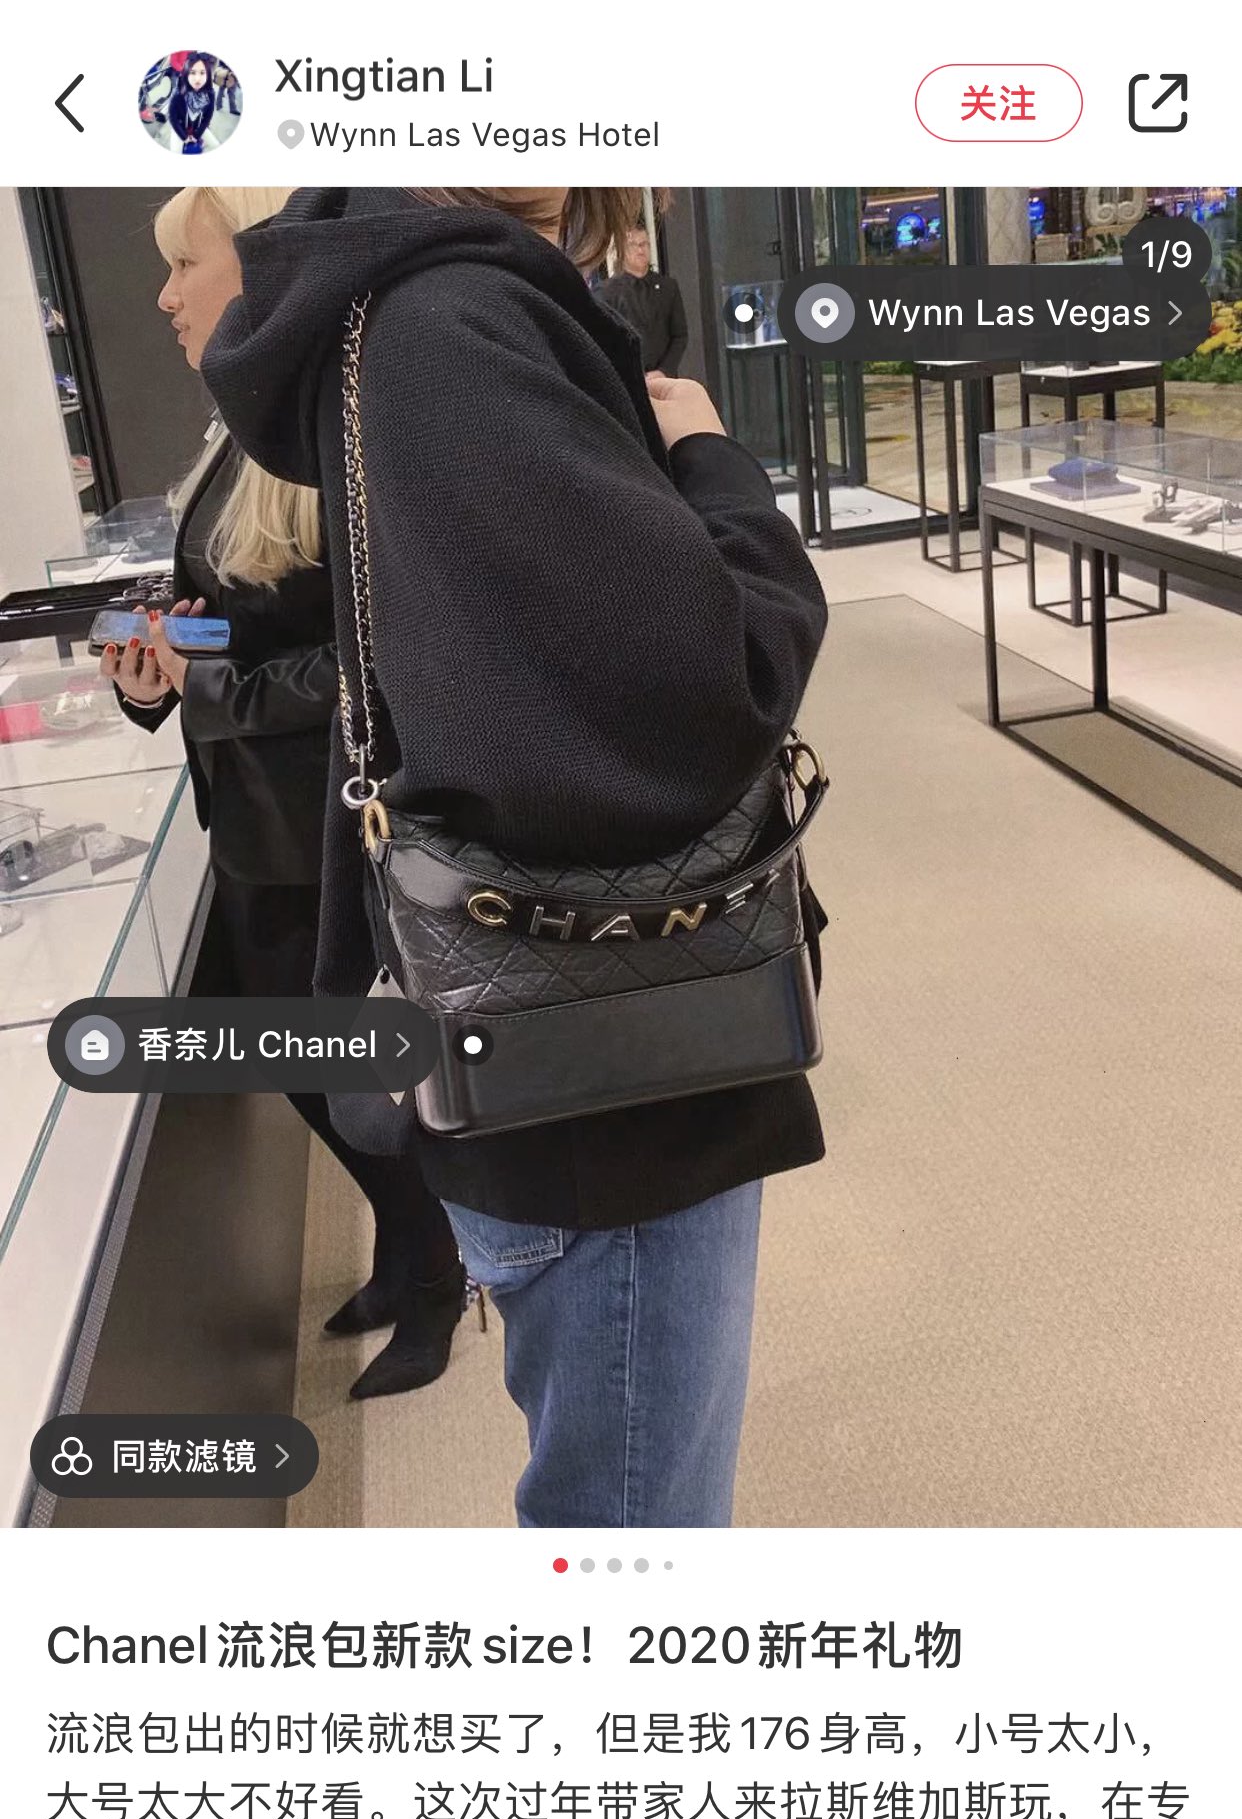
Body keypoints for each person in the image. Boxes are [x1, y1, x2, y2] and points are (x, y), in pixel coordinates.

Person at [205, 185, 828, 1528]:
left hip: (551, 1033)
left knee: (615, 1490)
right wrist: (715, 463)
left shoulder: (393, 319)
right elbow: (707, 683)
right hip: (613, 1077)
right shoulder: (458, 324)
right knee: (633, 1529)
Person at [101, 182, 465, 1399]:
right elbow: (252, 625)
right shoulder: (241, 430)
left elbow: (376, 653)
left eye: (185, 265)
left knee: (340, 1068)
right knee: (306, 1067)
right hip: (260, 817)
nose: (165, 296)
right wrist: (161, 668)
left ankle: (434, 1268)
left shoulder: (335, 435)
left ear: (262, 263)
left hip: (328, 821)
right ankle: (415, 1255)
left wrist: (207, 687)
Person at [593, 216, 688, 372]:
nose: (640, 250)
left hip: (664, 377)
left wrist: (664, 371)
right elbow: (603, 341)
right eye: (633, 245)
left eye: (644, 244)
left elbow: (680, 335)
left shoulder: (668, 287)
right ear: (621, 250)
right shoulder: (605, 293)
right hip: (627, 377)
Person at [168, 59, 217, 156]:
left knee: (216, 145)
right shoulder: (178, 94)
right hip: (180, 127)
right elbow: (172, 118)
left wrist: (197, 135)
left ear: (208, 75)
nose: (197, 79)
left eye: (202, 73)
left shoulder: (210, 94)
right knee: (175, 151)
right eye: (192, 73)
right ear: (186, 74)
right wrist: (184, 137)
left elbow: (207, 118)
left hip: (198, 127)